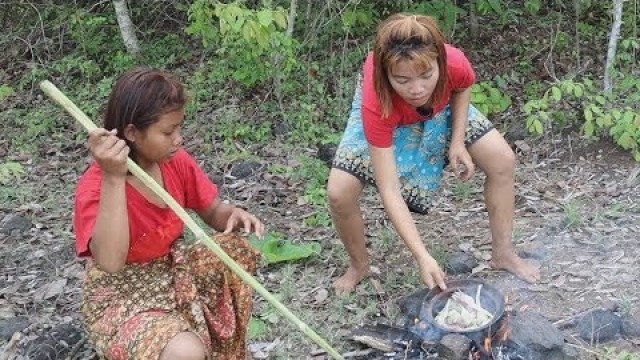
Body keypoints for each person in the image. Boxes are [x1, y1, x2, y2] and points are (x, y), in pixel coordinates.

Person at [327, 13, 541, 294]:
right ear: (386, 75)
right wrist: (422, 256)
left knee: (502, 160)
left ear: (440, 62)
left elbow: (462, 87)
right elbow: (389, 190)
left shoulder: (453, 61)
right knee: (339, 193)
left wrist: (457, 142)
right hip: (392, 113)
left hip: (440, 108)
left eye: (426, 75)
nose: (417, 89)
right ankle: (359, 266)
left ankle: (503, 253)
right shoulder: (376, 100)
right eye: (402, 80)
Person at [73, 67, 264, 359]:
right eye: (168, 131)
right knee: (184, 352)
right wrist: (114, 177)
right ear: (132, 133)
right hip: (122, 295)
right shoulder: (97, 185)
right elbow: (110, 262)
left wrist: (232, 215)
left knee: (233, 252)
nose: (179, 139)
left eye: (179, 127)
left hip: (173, 274)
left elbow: (211, 210)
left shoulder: (175, 162)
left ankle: (222, 351)